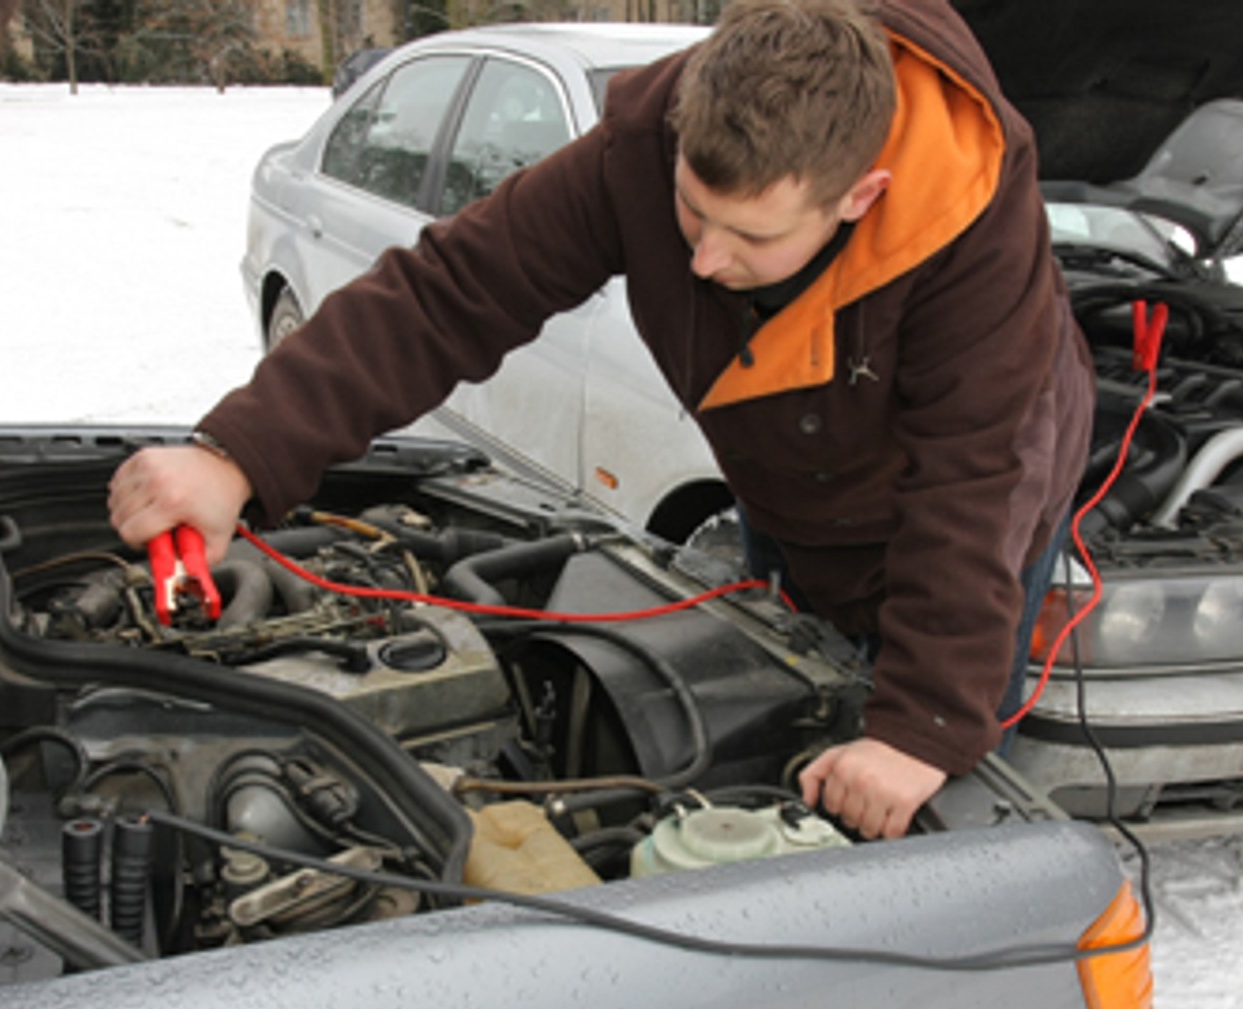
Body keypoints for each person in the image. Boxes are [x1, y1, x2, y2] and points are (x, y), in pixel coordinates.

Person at [109, 0, 1093, 841]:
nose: (702, 261)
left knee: (923, 793)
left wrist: (921, 728)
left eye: (749, 234)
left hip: (973, 526)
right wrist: (239, 454)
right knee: (787, 702)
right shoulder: (647, 144)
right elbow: (453, 292)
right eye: (691, 212)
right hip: (791, 484)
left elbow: (981, 478)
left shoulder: (969, 235)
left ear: (860, 197)